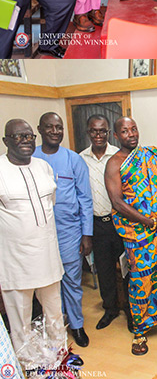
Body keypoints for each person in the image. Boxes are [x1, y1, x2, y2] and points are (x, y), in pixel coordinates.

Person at [104, 116, 157, 355]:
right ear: (116, 136)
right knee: (140, 280)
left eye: (134, 129)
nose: (131, 134)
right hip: (138, 234)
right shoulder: (115, 163)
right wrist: (149, 221)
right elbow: (116, 201)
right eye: (125, 131)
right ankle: (140, 331)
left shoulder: (152, 154)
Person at [0, 119, 68, 366]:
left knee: (54, 316)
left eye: (29, 136)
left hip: (48, 256)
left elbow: (49, 204)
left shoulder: (43, 167)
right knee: (21, 320)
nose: (26, 141)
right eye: (19, 137)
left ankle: (60, 361)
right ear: (6, 141)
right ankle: (29, 366)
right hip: (15, 262)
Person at [32, 112, 93, 348]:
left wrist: (86, 234)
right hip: (39, 234)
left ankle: (76, 325)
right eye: (50, 127)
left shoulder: (73, 160)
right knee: (45, 284)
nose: (55, 132)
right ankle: (53, 326)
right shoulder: (31, 158)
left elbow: (85, 199)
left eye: (59, 128)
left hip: (69, 232)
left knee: (72, 281)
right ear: (40, 129)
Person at [78, 114, 128, 331]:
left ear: (109, 133)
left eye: (102, 131)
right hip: (97, 224)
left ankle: (130, 309)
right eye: (94, 131)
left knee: (128, 268)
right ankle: (110, 309)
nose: (98, 135)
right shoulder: (80, 159)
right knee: (105, 269)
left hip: (121, 222)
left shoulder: (119, 156)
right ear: (88, 132)